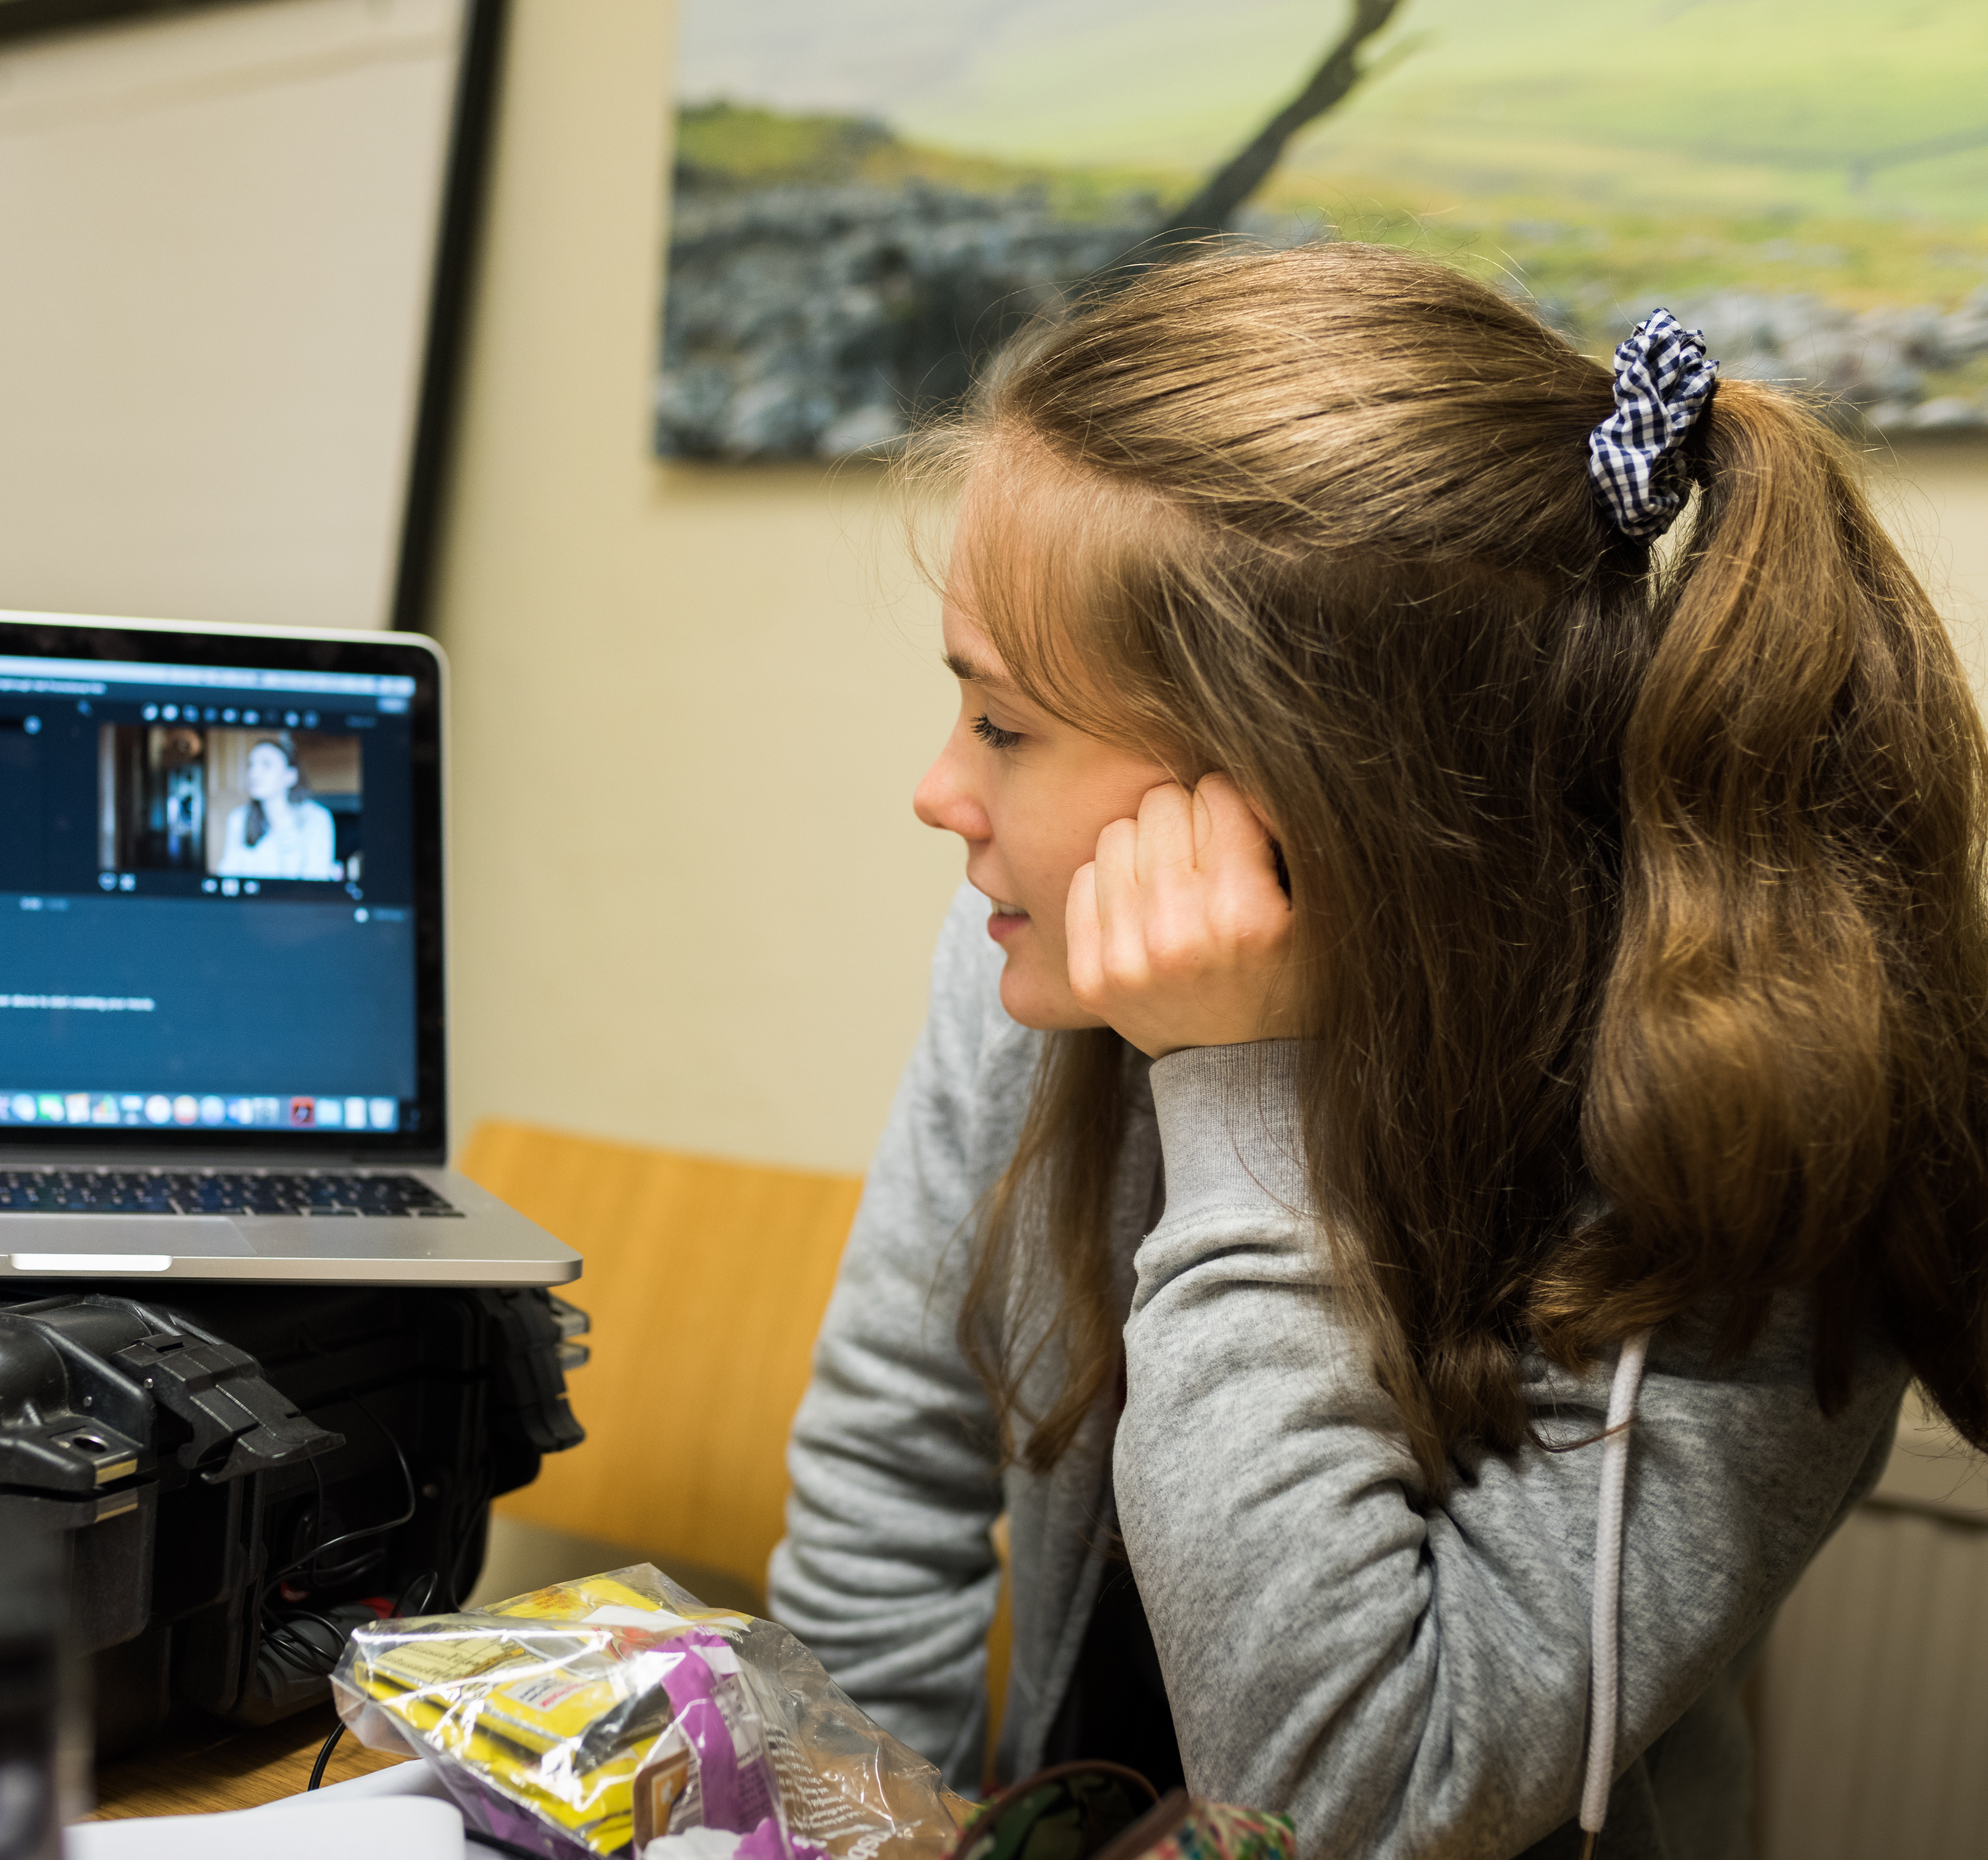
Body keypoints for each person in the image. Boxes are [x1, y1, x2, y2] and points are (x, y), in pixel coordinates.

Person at [769, 242, 1988, 1859]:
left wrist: (1242, 1098)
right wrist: (855, 1829)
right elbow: (890, 1452)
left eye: (1003, 722)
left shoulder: (1749, 1121)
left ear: (1301, 792)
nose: (943, 789)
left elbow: (1349, 1804)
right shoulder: (1037, 935)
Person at [218, 735, 340, 880]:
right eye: (251, 765)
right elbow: (227, 876)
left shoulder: (317, 818)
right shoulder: (239, 818)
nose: (254, 773)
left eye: (266, 764)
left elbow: (316, 881)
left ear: (291, 776)